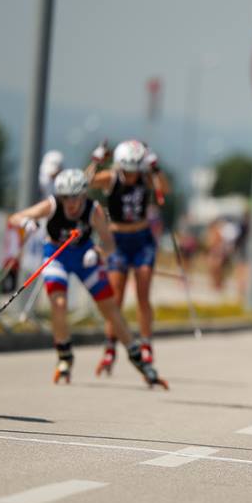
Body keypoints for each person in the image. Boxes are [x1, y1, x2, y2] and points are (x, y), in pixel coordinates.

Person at [8, 168, 166, 388]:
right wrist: (26, 222)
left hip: (84, 257)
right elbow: (15, 217)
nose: (70, 203)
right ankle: (64, 354)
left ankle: (138, 357)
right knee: (59, 303)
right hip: (57, 254)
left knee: (110, 309)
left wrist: (98, 253)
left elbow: (110, 243)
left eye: (75, 197)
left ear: (84, 195)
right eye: (66, 197)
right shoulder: (52, 205)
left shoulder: (94, 210)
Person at [87, 140, 170, 375]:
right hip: (117, 242)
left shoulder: (146, 177)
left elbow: (166, 188)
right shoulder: (111, 177)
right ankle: (110, 347)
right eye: (128, 171)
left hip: (142, 240)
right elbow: (84, 184)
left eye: (136, 171)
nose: (132, 176)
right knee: (115, 297)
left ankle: (146, 344)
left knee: (143, 293)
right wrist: (95, 161)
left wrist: (155, 167)